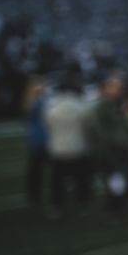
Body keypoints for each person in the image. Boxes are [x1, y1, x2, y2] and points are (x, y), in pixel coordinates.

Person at [86, 72, 128, 219]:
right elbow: (100, 132)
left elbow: (127, 126)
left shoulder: (118, 105)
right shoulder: (102, 107)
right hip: (111, 152)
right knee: (115, 181)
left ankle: (120, 206)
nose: (118, 90)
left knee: (122, 180)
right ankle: (116, 208)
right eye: (114, 87)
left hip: (121, 151)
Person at [43, 75, 93, 219]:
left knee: (57, 181)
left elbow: (48, 123)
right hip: (79, 148)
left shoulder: (53, 106)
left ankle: (56, 205)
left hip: (58, 149)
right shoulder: (82, 106)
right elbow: (88, 125)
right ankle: (83, 203)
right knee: (81, 179)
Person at [22, 77, 50, 207]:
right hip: (42, 139)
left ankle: (33, 193)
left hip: (36, 139)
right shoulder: (38, 102)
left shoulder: (33, 102)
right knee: (39, 168)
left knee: (35, 169)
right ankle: (35, 193)